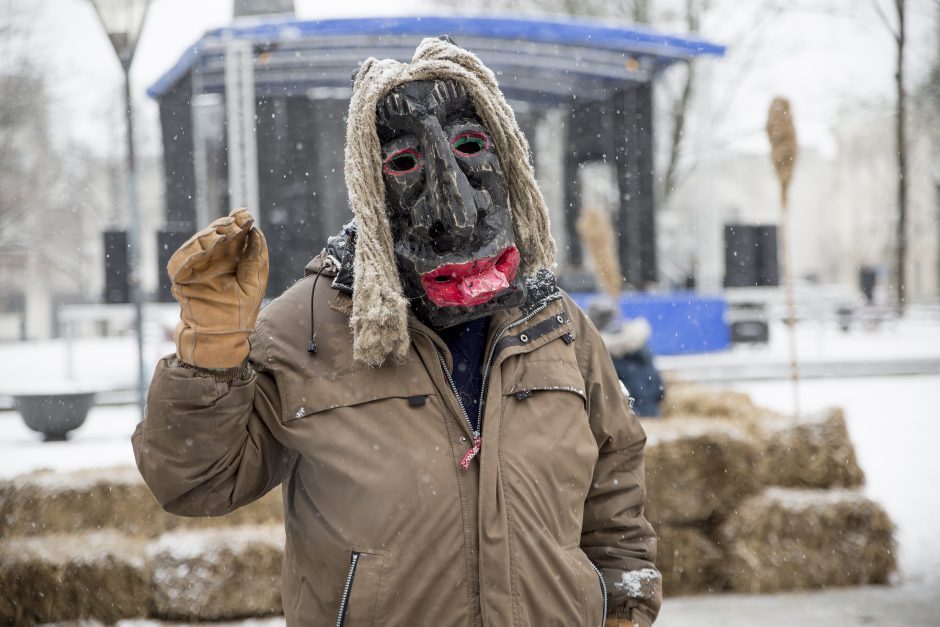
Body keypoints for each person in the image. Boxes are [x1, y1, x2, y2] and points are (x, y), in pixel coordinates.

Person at [133, 37, 661, 627]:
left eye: (470, 146)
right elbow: (194, 482)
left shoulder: (555, 324)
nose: (455, 206)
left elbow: (614, 484)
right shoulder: (306, 326)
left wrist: (625, 606)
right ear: (368, 186)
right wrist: (208, 358)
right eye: (404, 163)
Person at [587, 299, 665, 418]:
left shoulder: (603, 354)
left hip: (625, 421)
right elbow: (659, 390)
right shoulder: (639, 345)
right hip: (652, 415)